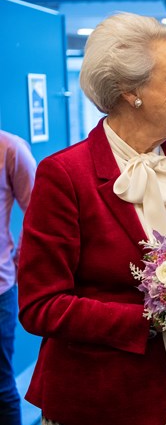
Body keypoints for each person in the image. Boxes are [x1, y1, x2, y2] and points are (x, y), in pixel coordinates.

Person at [17, 13, 166, 425]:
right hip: (100, 402)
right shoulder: (66, 174)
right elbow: (40, 305)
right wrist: (151, 319)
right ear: (131, 91)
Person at [0, 129, 36, 425]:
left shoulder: (10, 148)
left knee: (0, 387)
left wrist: (20, 260)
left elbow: (37, 211)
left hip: (0, 291)